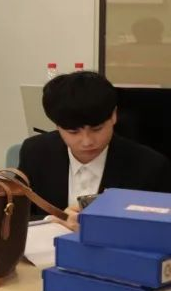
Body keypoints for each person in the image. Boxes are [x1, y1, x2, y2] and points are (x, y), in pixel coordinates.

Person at [18, 71, 171, 229]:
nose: (87, 142)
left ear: (113, 115)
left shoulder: (150, 166)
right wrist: (52, 221)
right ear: (57, 125)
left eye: (97, 129)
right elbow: (15, 214)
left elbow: (160, 226)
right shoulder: (35, 152)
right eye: (73, 132)